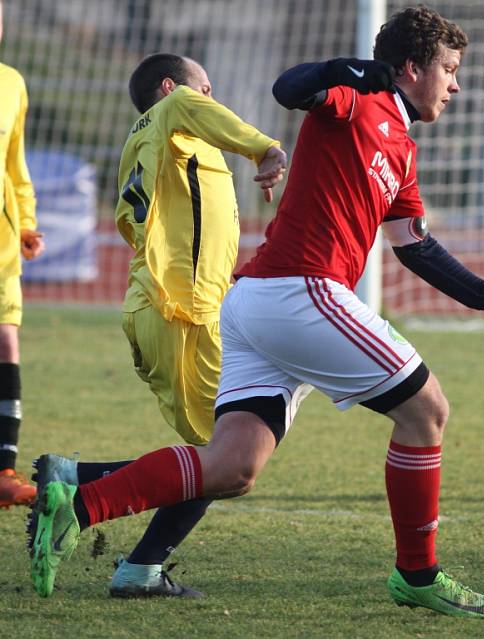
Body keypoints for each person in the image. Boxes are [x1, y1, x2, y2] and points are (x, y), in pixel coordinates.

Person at [29, 6, 484, 617]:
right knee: (428, 410)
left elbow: (419, 250)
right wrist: (356, 71)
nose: (456, 84)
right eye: (450, 69)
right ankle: (419, 574)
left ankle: (75, 501)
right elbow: (289, 87)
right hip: (298, 288)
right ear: (412, 68)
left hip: (256, 304)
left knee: (233, 467)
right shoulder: (358, 99)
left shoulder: (402, 149)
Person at [29, 52, 287, 596]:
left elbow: (140, 228)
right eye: (204, 88)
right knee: (228, 460)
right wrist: (264, 147)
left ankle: (91, 499)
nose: (210, 96)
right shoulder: (174, 111)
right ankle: (96, 521)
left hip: (159, 311)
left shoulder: (152, 147)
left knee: (216, 458)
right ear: (171, 88)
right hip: (183, 314)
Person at [0, 0, 46, 509]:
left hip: (2, 246)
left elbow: (15, 165)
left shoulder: (11, 82)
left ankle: (3, 470)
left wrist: (27, 221)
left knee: (6, 345)